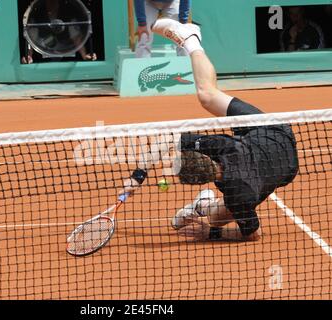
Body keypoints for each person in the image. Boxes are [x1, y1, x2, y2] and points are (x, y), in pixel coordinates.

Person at [120, 18, 299, 241]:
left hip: (281, 158)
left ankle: (203, 205)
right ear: (203, 155)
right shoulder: (222, 146)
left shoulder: (238, 195)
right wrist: (137, 176)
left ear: (197, 181)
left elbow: (254, 234)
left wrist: (209, 232)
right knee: (208, 95)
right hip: (273, 131)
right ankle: (191, 39)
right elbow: (169, 138)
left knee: (215, 220)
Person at [22, 0, 97, 64]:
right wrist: (29, 56)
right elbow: (31, 35)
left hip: (66, 57)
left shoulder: (67, 12)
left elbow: (75, 36)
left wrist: (84, 56)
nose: (51, 2)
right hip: (43, 58)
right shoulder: (38, 14)